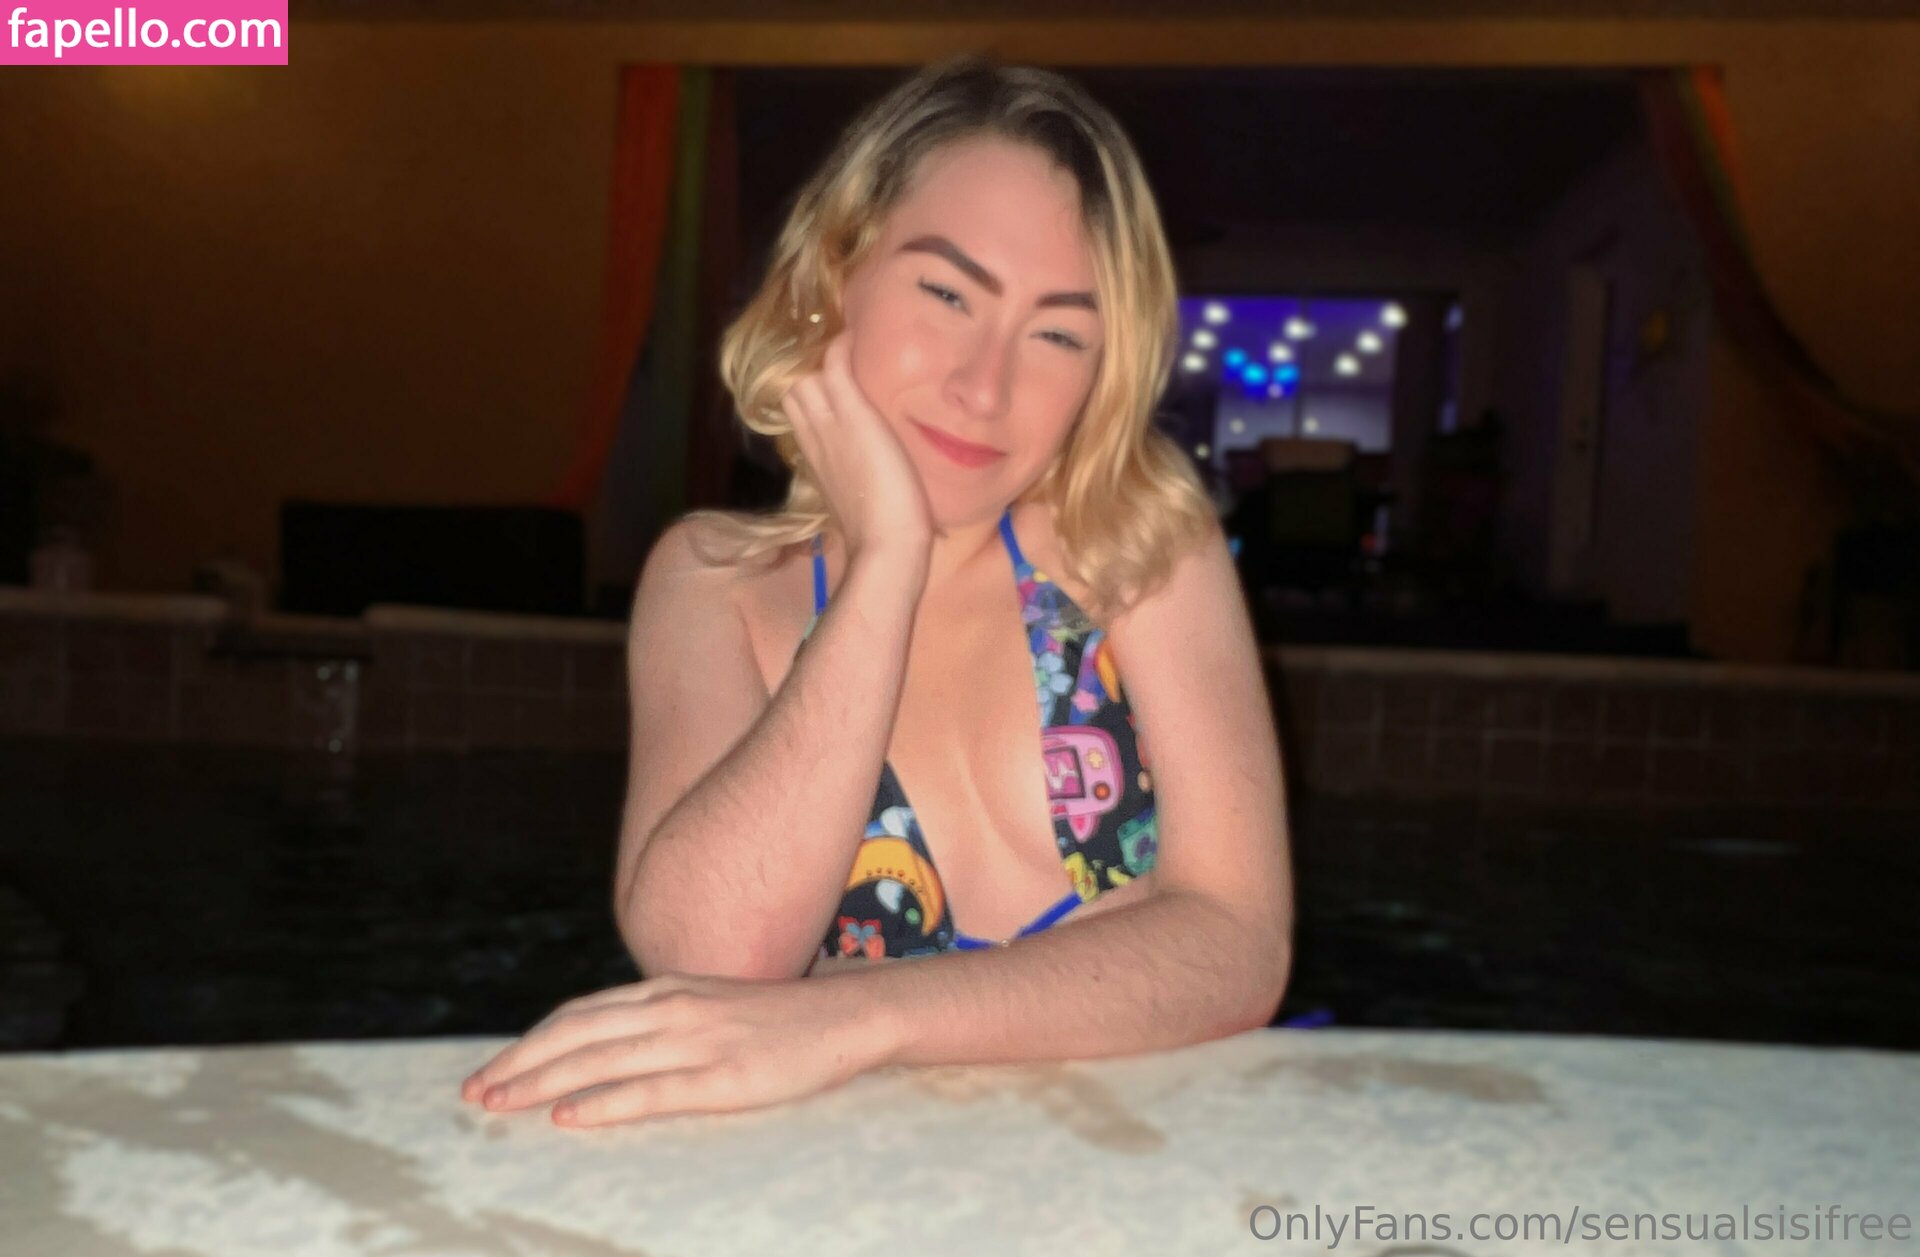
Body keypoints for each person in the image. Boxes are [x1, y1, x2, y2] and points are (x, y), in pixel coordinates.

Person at [458, 54, 1294, 1130]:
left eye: (1058, 333)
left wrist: (856, 1015)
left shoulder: (1136, 540)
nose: (985, 386)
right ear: (832, 274)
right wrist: (888, 559)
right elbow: (714, 954)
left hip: (1134, 1167)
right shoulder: (716, 580)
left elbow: (1237, 943)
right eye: (947, 293)